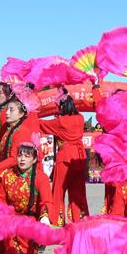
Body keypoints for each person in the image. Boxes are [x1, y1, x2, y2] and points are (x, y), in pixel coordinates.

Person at [0, 143, 53, 254]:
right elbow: (0, 198)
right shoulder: (7, 175)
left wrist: (44, 217)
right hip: (10, 217)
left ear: (34, 160)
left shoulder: (41, 177)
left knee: (18, 244)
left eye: (27, 156)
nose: (22, 159)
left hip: (29, 219)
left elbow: (47, 201)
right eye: (20, 155)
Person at [39, 95, 89, 227]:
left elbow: (42, 125)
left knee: (58, 191)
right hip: (79, 157)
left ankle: (56, 221)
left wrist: (31, 115)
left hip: (65, 157)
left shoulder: (60, 121)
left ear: (62, 106)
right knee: (78, 192)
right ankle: (80, 222)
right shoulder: (80, 118)